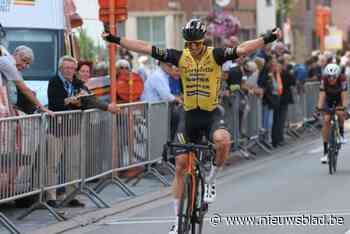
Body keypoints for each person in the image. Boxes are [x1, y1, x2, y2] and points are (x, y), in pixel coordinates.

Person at [102, 18, 281, 233]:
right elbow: (144, 47)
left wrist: (268, 37)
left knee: (222, 141)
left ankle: (212, 179)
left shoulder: (216, 55)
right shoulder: (179, 57)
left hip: (211, 114)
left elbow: (243, 48)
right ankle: (178, 219)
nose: (193, 47)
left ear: (203, 40)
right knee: (180, 164)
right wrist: (114, 39)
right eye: (189, 43)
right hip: (188, 116)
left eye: (196, 43)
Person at [47, 55, 118, 208]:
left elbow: (89, 99)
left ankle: (71, 196)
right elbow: (55, 104)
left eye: (72, 69)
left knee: (73, 163)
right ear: (60, 68)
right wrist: (72, 102)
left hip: (72, 129)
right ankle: (50, 197)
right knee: (51, 164)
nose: (70, 71)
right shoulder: (54, 81)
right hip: (56, 129)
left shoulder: (78, 83)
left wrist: (105, 107)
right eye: (67, 68)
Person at [0, 45, 53, 116]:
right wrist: (42, 107)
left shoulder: (9, 63)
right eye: (23, 60)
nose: (24, 65)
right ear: (15, 54)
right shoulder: (8, 63)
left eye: (27, 63)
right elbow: (24, 89)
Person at [317, 63, 348, 164]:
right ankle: (326, 152)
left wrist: (344, 107)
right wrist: (319, 108)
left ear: (338, 75)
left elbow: (344, 94)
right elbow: (322, 94)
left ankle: (342, 133)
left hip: (339, 97)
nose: (331, 79)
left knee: (340, 113)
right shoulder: (324, 80)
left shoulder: (342, 79)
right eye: (329, 77)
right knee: (326, 120)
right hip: (328, 98)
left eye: (333, 77)